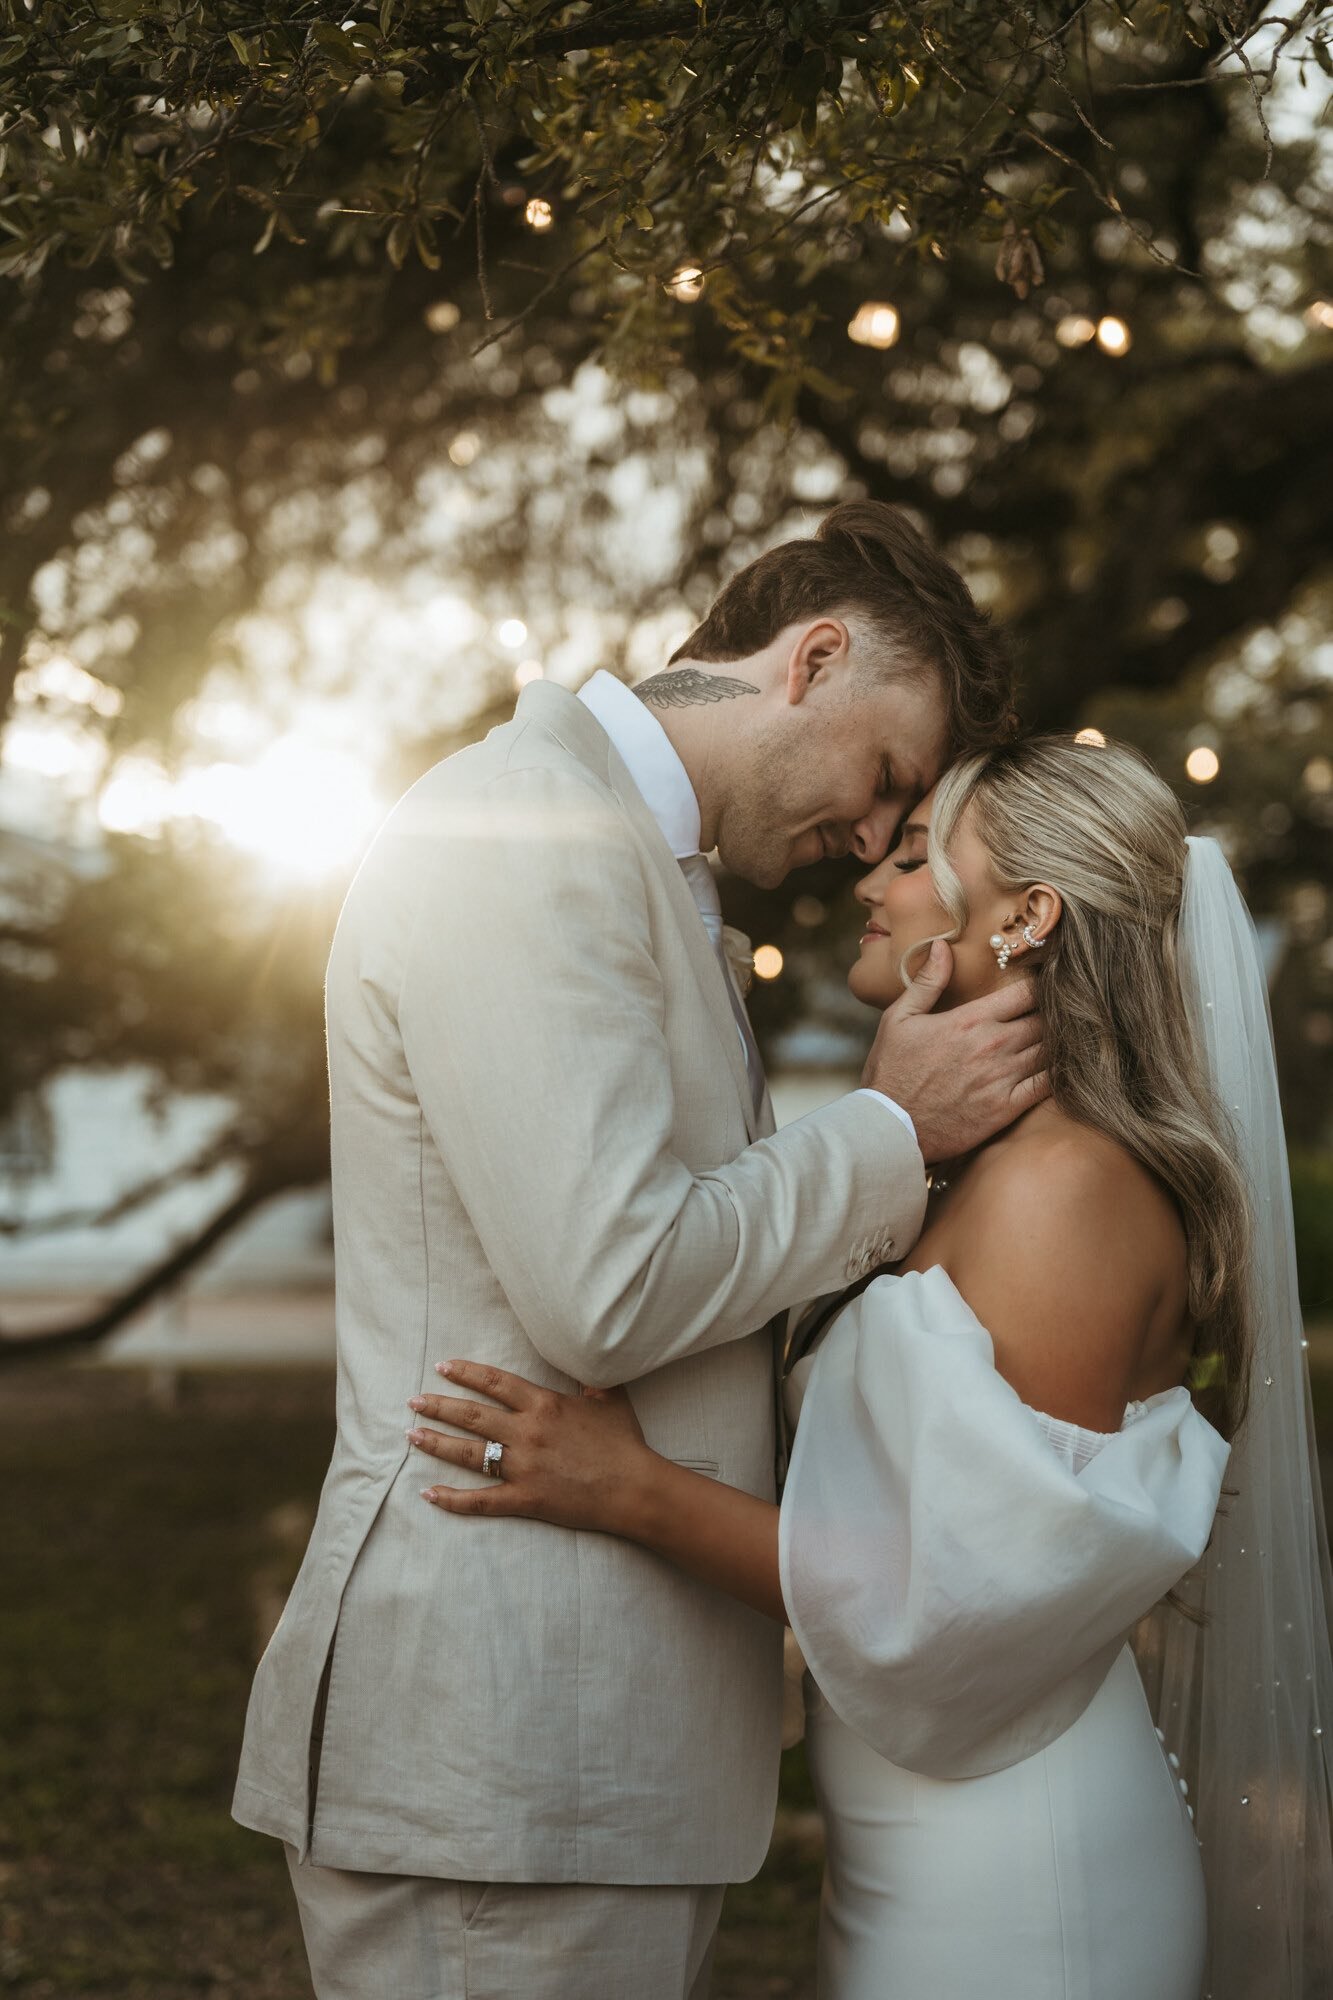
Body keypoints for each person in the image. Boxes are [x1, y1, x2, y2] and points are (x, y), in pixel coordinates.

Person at [232, 502, 1044, 1999]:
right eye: (885, 780)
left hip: (587, 1763)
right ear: (811, 659)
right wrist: (883, 1132)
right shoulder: (523, 832)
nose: (870, 840)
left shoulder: (635, 858)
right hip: (504, 1746)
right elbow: (607, 1289)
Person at [409, 736, 1333, 2000]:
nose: (872, 882)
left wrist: (621, 1486)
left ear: (1026, 915)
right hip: (927, 1844)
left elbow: (950, 1593)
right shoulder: (979, 1169)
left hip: (1020, 1875)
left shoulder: (1065, 1190)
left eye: (914, 854)